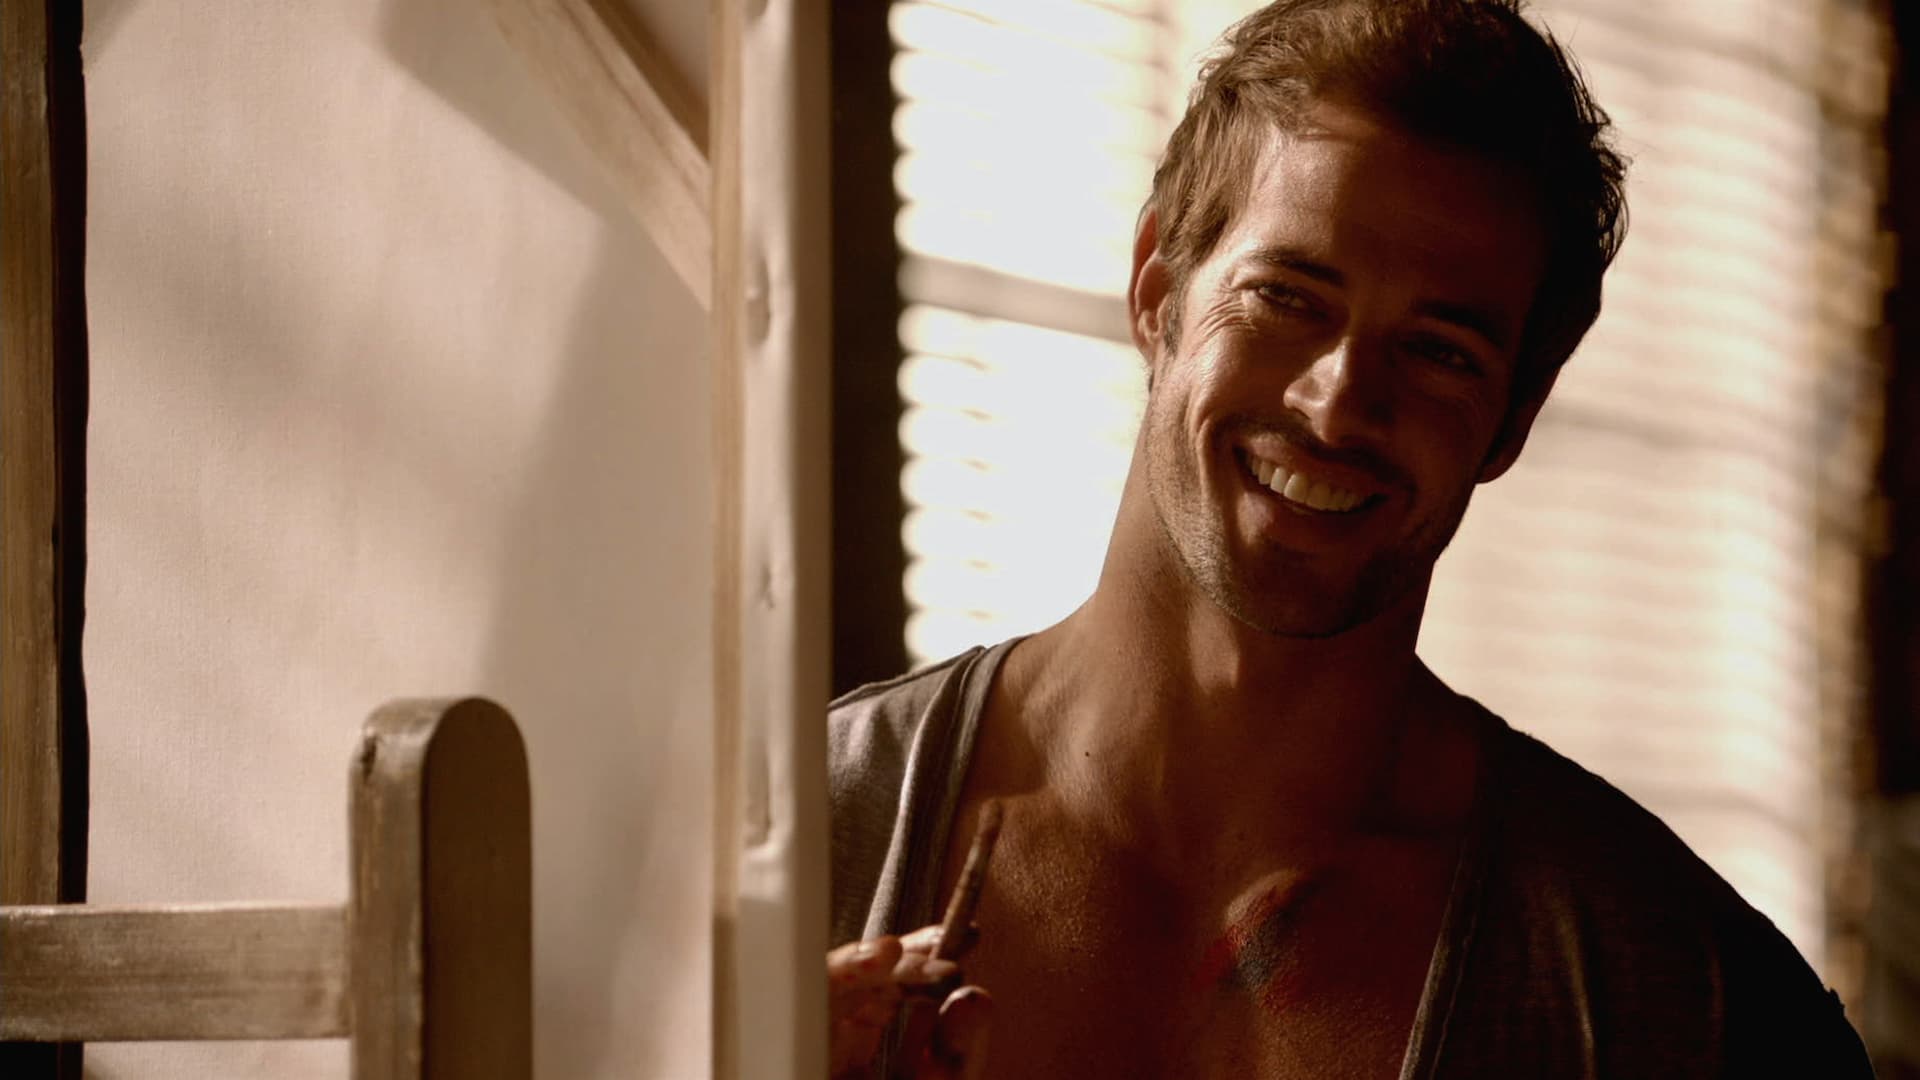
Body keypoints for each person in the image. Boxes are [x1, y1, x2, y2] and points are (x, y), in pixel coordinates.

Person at [827, 1, 1876, 1076]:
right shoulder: (799, 842)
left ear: (1514, 416)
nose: (1337, 407)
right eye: (1286, 296)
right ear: (1157, 288)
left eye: (1440, 352)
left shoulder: (1688, 1003)